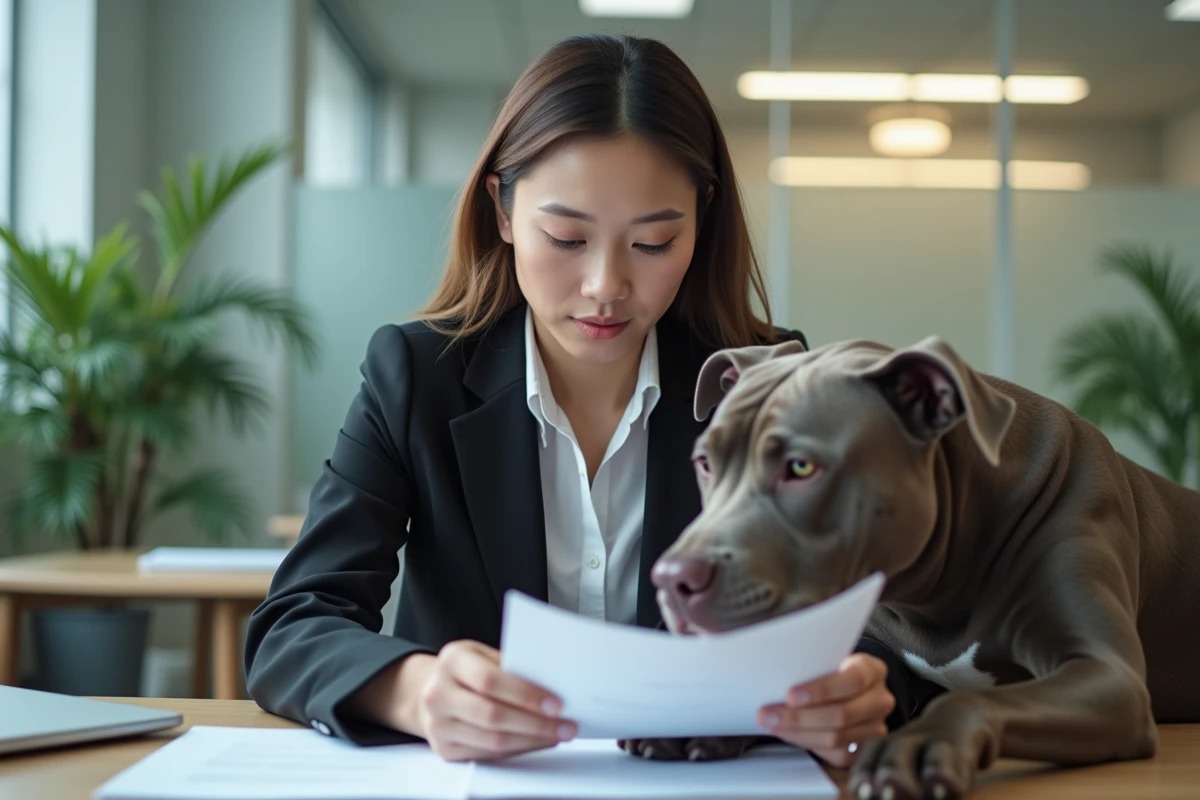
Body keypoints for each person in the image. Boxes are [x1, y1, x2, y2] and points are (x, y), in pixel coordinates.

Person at [245, 32, 929, 767]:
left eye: (652, 244)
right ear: (502, 212)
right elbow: (294, 626)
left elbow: (885, 623)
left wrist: (863, 682)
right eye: (566, 237)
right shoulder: (416, 377)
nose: (606, 286)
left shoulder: (764, 381)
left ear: (700, 224)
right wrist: (416, 691)